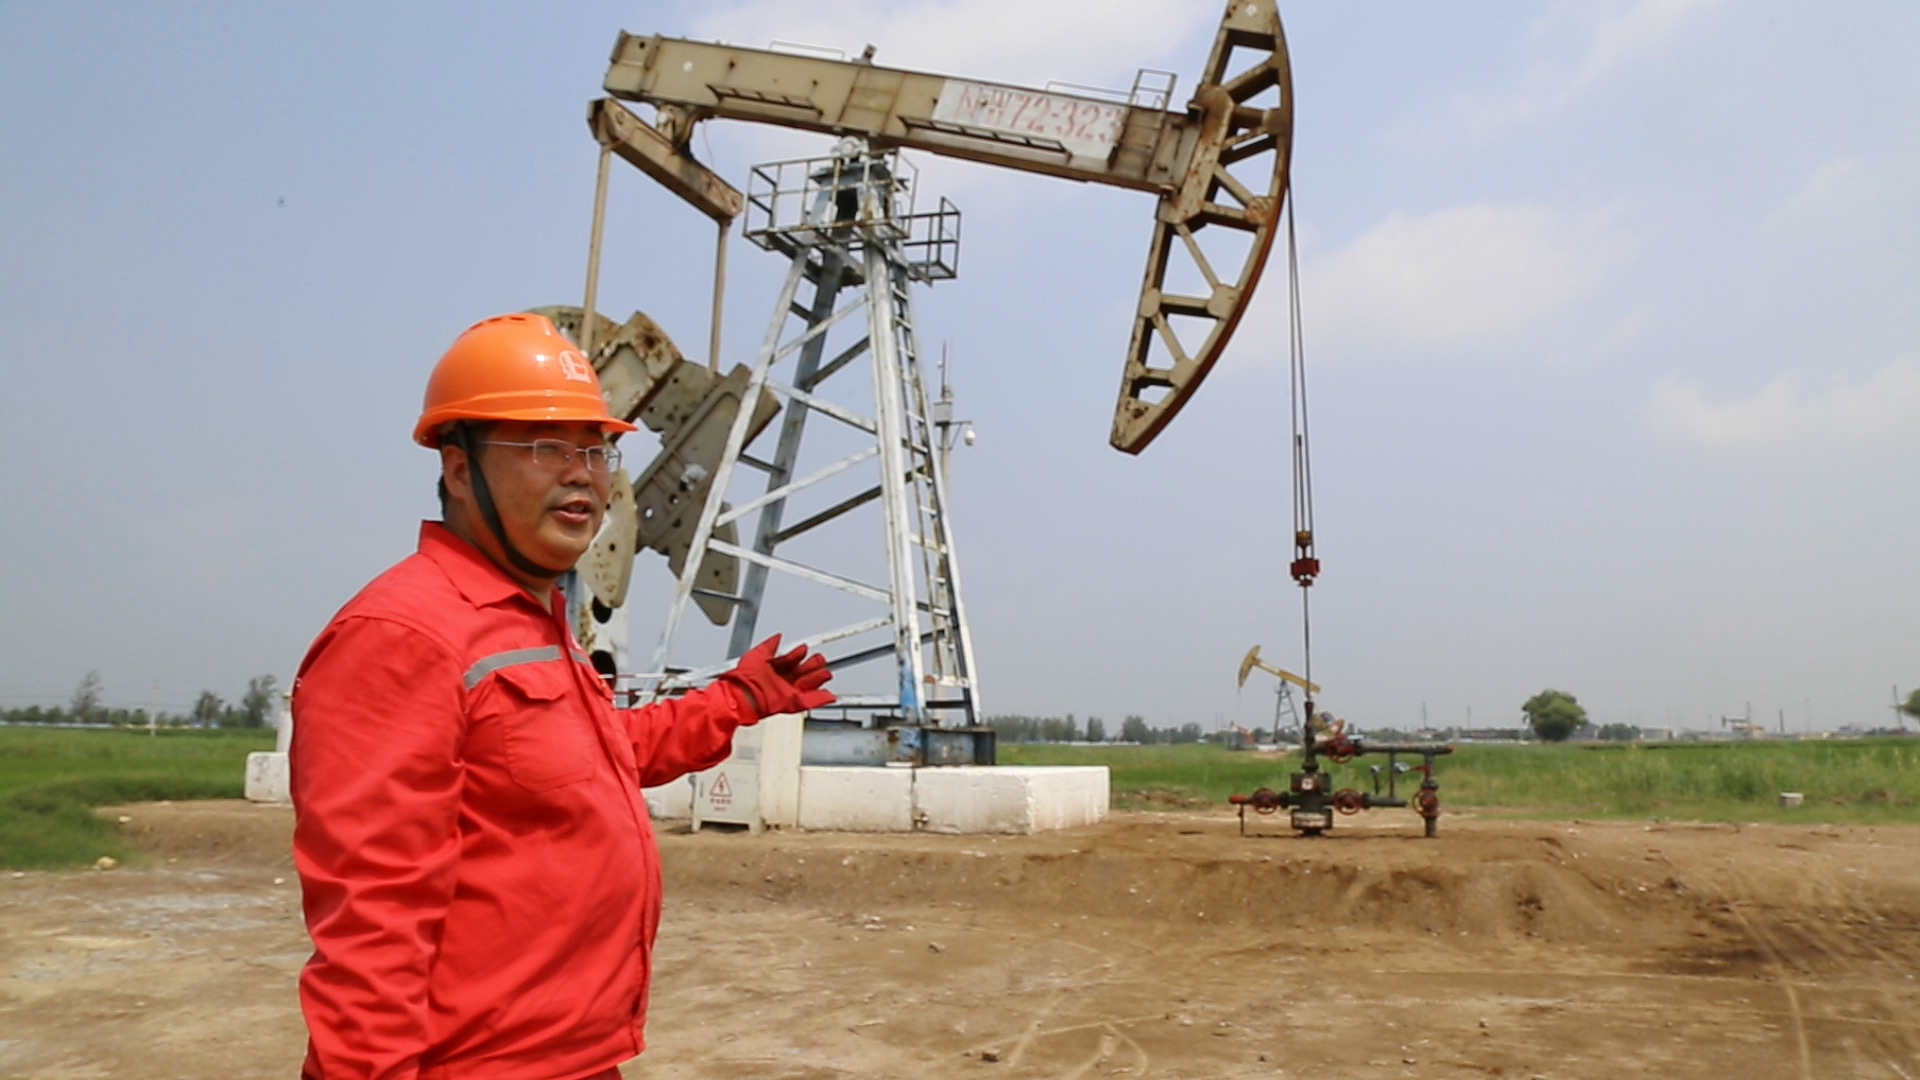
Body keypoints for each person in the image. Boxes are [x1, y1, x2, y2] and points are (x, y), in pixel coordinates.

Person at [289, 312, 835, 1080]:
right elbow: (373, 928)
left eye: (596, 449)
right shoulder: (403, 638)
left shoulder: (532, 622)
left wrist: (735, 701)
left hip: (577, 1060)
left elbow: (597, 756)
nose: (583, 474)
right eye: (547, 447)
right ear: (458, 469)